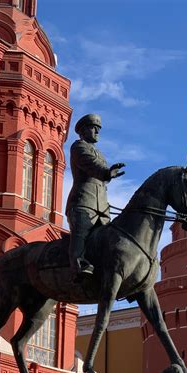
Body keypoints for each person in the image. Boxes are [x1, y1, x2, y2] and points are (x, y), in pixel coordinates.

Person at [65, 113, 125, 280]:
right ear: (83, 131)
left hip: (101, 206)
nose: (97, 132)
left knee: (111, 238)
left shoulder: (99, 153)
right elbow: (90, 164)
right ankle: (78, 265)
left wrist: (108, 174)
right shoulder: (78, 147)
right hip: (83, 202)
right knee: (81, 232)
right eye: (93, 128)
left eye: (98, 129)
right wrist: (107, 172)